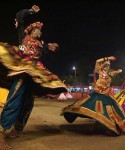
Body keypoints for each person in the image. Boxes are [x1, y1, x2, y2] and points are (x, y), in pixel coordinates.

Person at [0, 5, 67, 149]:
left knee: (28, 102)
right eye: (37, 30)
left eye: (40, 31)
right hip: (24, 71)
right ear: (30, 30)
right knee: (15, 99)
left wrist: (54, 46)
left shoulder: (41, 44)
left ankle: (16, 130)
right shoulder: (23, 37)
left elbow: (51, 46)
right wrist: (30, 11)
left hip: (35, 73)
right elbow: (19, 16)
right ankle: (1, 133)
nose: (39, 33)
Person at [61, 56, 125, 135]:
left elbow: (116, 72)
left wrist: (118, 71)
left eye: (108, 65)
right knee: (95, 110)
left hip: (106, 95)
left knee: (108, 112)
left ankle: (105, 127)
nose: (107, 66)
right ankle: (95, 127)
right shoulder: (98, 71)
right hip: (97, 95)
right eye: (106, 65)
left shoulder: (109, 74)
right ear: (103, 65)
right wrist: (108, 58)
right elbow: (97, 61)